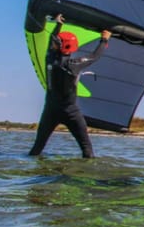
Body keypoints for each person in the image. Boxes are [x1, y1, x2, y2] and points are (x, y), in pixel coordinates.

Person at [29, 14, 111, 158]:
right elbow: (94, 56)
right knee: (87, 150)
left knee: (36, 149)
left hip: (50, 111)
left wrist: (58, 24)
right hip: (71, 113)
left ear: (61, 46)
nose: (54, 42)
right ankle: (86, 176)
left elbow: (50, 41)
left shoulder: (50, 58)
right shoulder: (74, 65)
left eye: (57, 41)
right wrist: (104, 40)